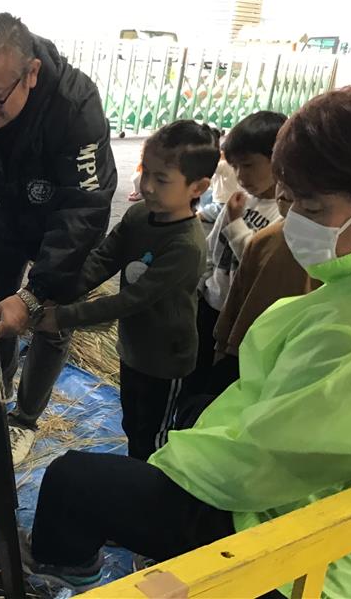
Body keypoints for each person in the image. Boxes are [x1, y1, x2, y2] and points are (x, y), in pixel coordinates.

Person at [21, 85, 351, 598]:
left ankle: (67, 578)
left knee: (84, 474)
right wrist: (38, 294)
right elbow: (104, 261)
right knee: (139, 427)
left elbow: (271, 460)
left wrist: (169, 469)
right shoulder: (349, 285)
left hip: (282, 525)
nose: (295, 220)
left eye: (313, 207)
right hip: (258, 481)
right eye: (290, 201)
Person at [0, 13, 117, 465]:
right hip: (4, 216)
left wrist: (35, 294)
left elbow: (83, 208)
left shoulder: (74, 104)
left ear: (31, 74)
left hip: (65, 223)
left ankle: (26, 419)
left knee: (50, 319)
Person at [36, 121, 218, 461]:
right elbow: (103, 259)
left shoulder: (186, 245)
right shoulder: (138, 215)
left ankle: (148, 480)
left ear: (198, 187)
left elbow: (130, 301)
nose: (146, 186)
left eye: (161, 179)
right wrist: (56, 293)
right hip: (133, 347)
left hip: (166, 359)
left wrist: (60, 317)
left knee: (154, 436)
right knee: (132, 422)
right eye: (144, 171)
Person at [188, 110, 287, 394]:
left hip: (242, 316)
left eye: (249, 165)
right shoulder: (239, 200)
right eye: (235, 167)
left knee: (220, 386)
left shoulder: (282, 213)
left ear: (278, 159)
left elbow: (258, 261)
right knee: (193, 377)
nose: (241, 176)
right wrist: (200, 286)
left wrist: (235, 224)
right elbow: (213, 247)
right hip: (211, 301)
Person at [209, 184, 320, 393]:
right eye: (282, 182)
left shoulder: (330, 250)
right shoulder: (265, 238)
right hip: (243, 353)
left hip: (290, 365)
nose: (284, 194)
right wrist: (223, 347)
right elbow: (236, 300)